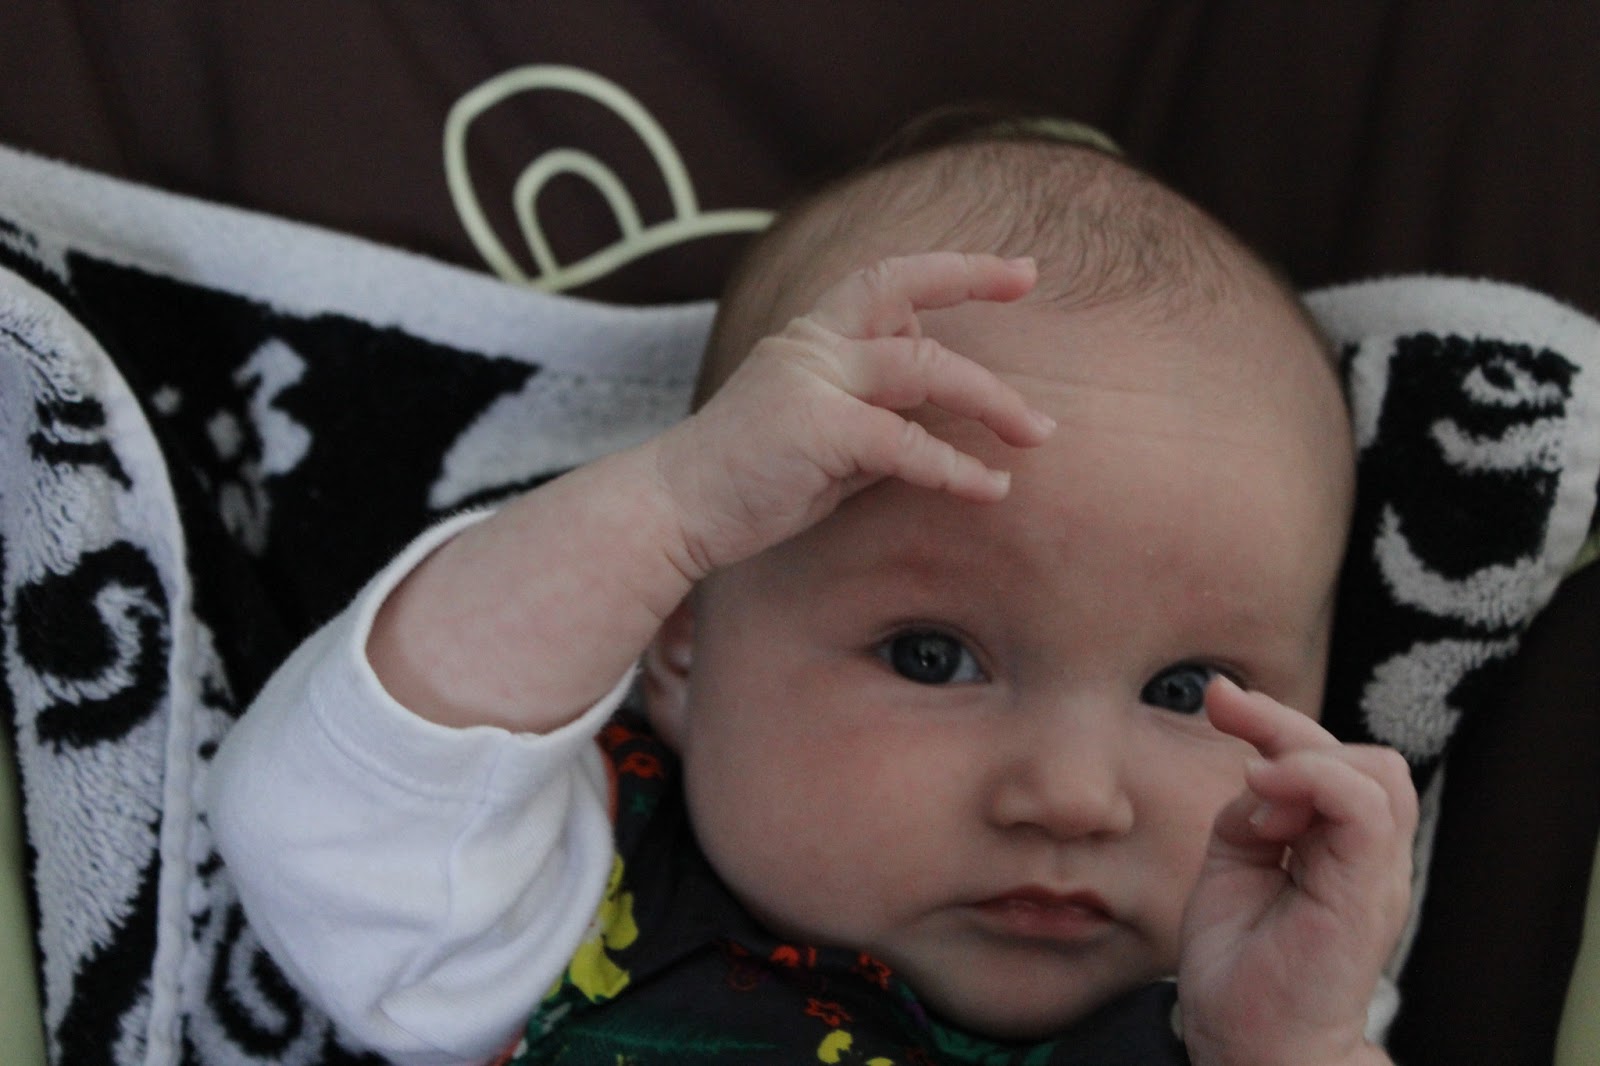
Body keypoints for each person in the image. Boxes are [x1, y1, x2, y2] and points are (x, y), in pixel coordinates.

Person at [210, 126, 1418, 1066]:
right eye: (931, 655)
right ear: (681, 646)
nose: (1070, 796)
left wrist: (1298, 1046)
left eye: (1187, 688)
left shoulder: (1265, 998)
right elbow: (324, 822)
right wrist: (664, 508)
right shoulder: (559, 904)